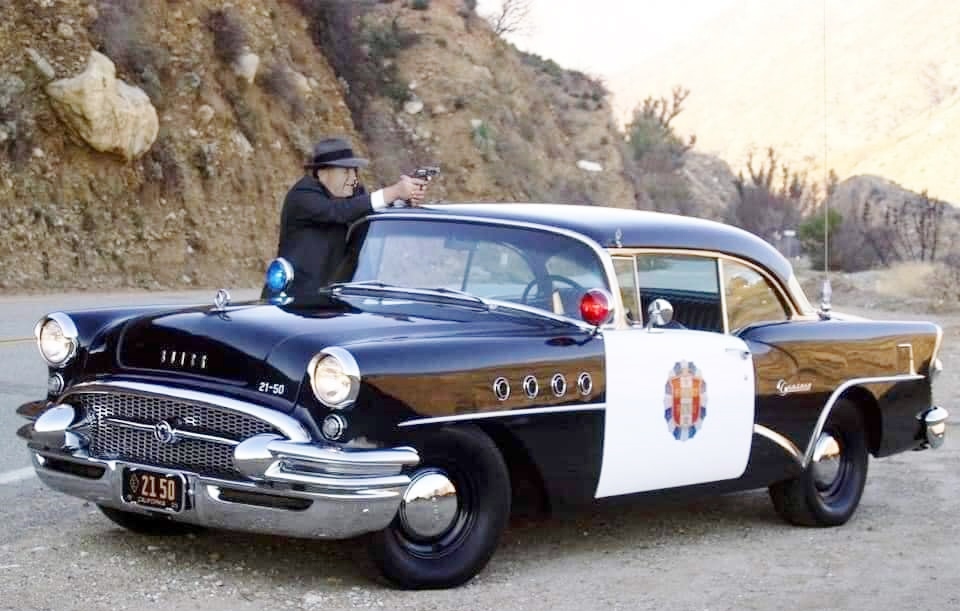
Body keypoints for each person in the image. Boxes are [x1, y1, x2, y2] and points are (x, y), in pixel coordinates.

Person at [275, 137, 428, 297]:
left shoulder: (352, 191)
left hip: (339, 297)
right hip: (294, 299)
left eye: (355, 171)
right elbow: (338, 212)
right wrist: (394, 192)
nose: (353, 178)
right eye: (345, 171)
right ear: (322, 172)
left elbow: (367, 208)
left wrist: (403, 199)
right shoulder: (302, 194)